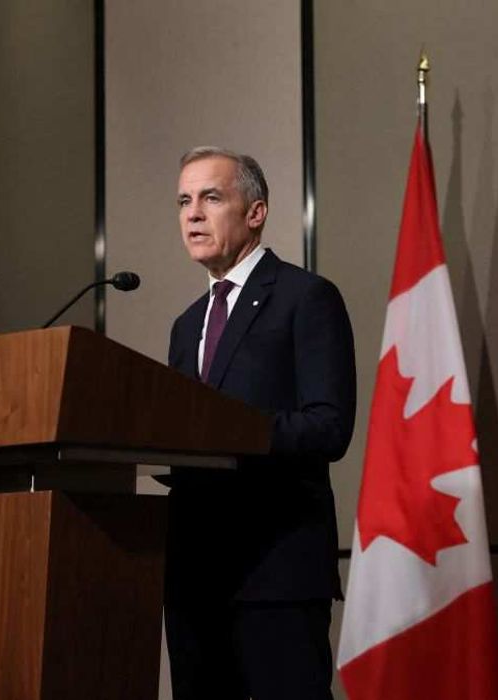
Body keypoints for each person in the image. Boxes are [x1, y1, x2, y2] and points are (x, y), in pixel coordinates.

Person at [163, 146, 356, 699]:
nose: (193, 213)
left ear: (256, 212)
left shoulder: (306, 298)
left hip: (276, 571)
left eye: (210, 197)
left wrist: (231, 431)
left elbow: (329, 426)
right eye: (184, 200)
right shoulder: (186, 325)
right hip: (195, 574)